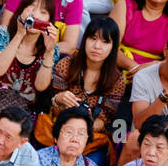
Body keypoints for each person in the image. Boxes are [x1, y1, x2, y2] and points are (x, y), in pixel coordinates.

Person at [34, 15, 122, 156]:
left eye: (105, 42)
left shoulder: (117, 80)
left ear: (113, 47)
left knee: (92, 163)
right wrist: (59, 99)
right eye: (92, 38)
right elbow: (54, 108)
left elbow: (105, 119)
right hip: (59, 132)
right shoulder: (66, 64)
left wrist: (84, 123)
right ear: (85, 39)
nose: (97, 46)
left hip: (91, 139)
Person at [0, 0, 57, 121]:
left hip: (25, 117)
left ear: (50, 20)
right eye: (32, 9)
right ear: (21, 11)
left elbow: (41, 86)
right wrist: (20, 33)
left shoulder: (52, 48)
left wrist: (49, 51)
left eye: (43, 12)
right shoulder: (3, 33)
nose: (36, 15)